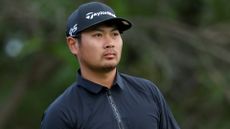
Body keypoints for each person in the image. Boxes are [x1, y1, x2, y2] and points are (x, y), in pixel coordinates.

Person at [40, 2, 180, 129]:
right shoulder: (61, 113)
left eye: (115, 34)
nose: (110, 43)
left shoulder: (148, 92)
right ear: (73, 45)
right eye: (98, 35)